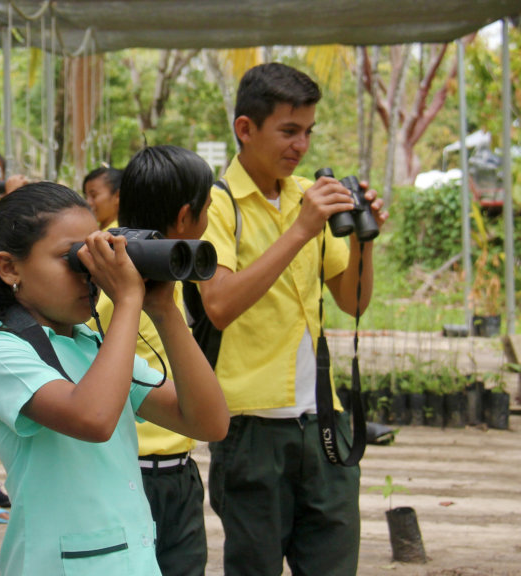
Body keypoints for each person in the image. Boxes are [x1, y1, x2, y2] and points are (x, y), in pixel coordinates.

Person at [0, 182, 229, 575]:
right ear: (9, 267)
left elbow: (208, 422)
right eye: (73, 259)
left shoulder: (92, 346)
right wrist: (129, 301)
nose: (90, 274)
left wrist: (164, 310)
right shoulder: (1, 350)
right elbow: (93, 418)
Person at [198, 62, 386, 576]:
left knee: (332, 564)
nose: (301, 146)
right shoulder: (215, 205)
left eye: (308, 133)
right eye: (288, 131)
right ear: (245, 128)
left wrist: (365, 242)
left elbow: (353, 302)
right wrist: (301, 230)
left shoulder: (309, 197)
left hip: (324, 422)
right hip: (250, 429)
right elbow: (218, 304)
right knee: (255, 566)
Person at [89, 145, 219, 576]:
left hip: (179, 470)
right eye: (208, 212)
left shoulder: (160, 275)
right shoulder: (117, 282)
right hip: (131, 473)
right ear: (185, 218)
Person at [82, 165, 122, 231]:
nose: (88, 202)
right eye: (86, 197)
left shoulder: (116, 235)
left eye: (93, 195)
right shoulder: (96, 231)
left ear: (117, 196)